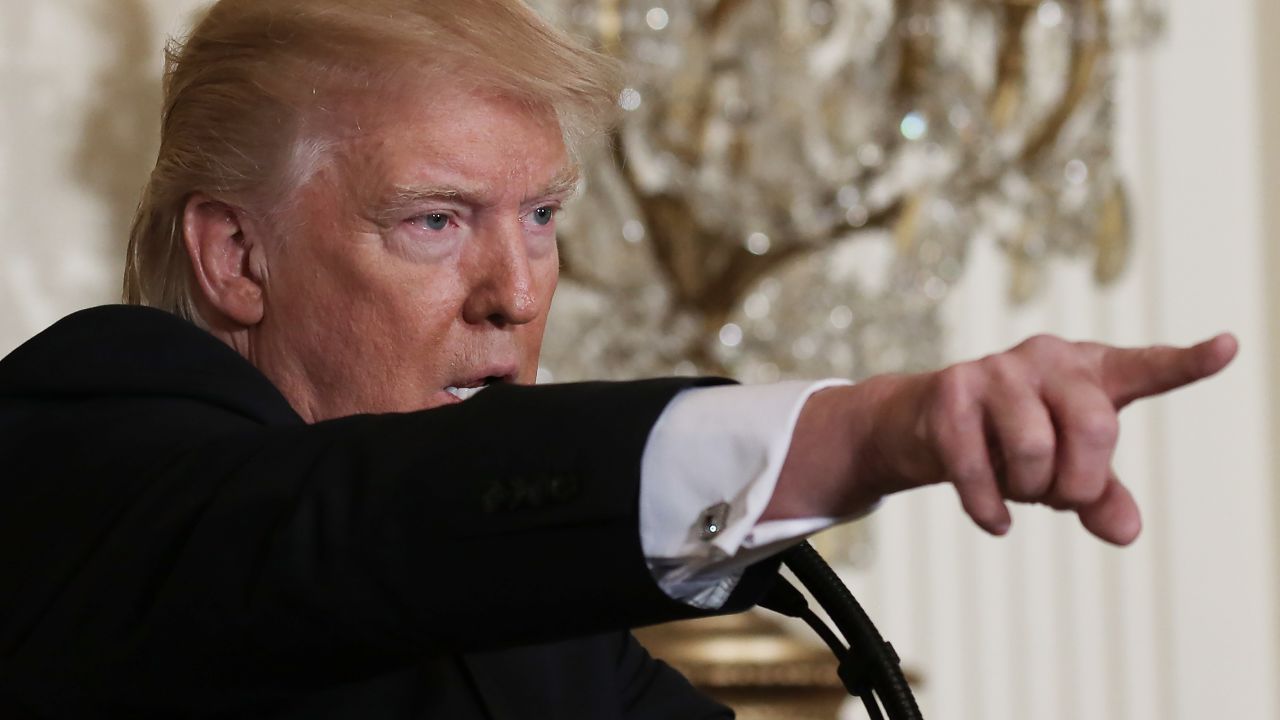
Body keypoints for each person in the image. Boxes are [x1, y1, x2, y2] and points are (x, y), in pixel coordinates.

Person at [0, 0, 1237, 718]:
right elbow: (350, 527)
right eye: (434, 221)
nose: (519, 292)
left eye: (540, 216)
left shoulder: (526, 623)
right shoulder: (91, 441)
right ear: (234, 258)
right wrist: (858, 434)